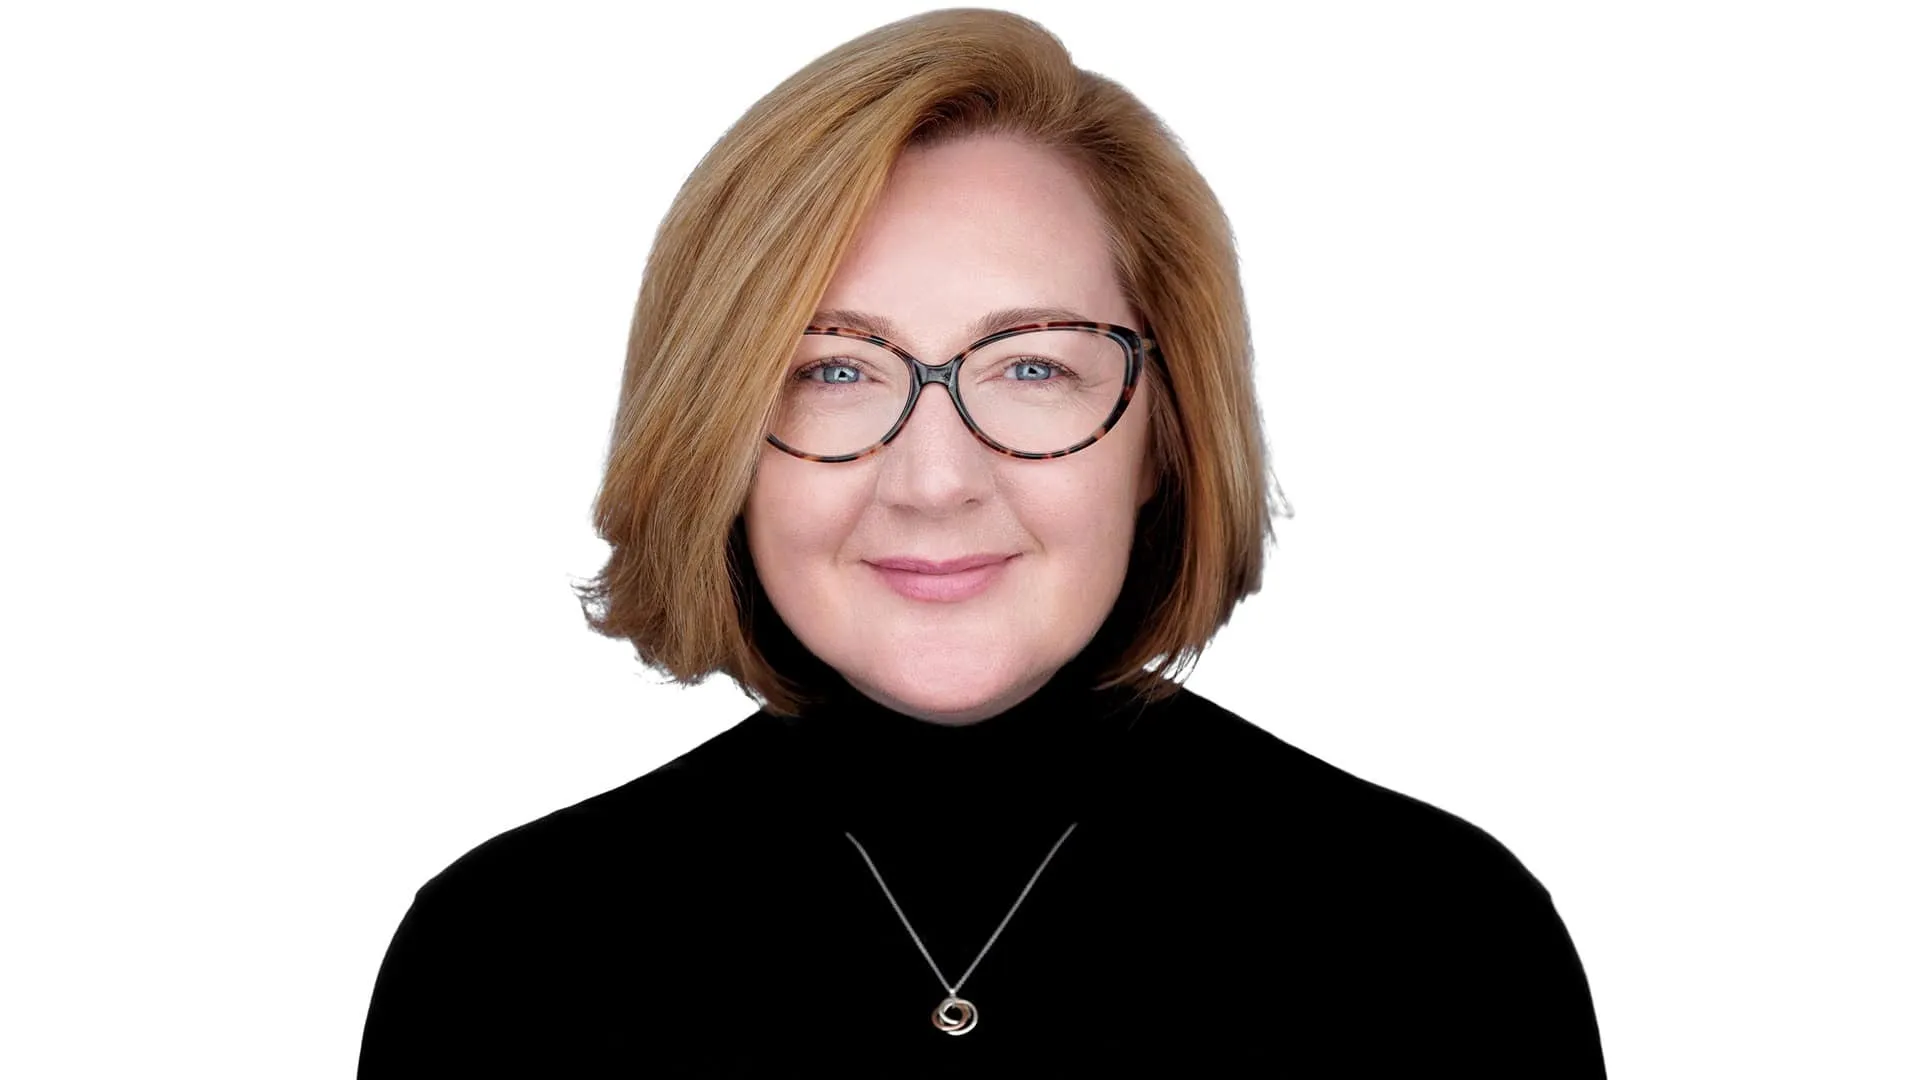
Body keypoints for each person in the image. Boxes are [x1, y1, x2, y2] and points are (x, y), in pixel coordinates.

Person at [357, 9, 1606, 1076]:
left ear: (1164, 432)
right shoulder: (498, 960)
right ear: (717, 435)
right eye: (833, 368)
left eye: (1033, 367)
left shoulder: (1445, 942)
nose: (936, 478)